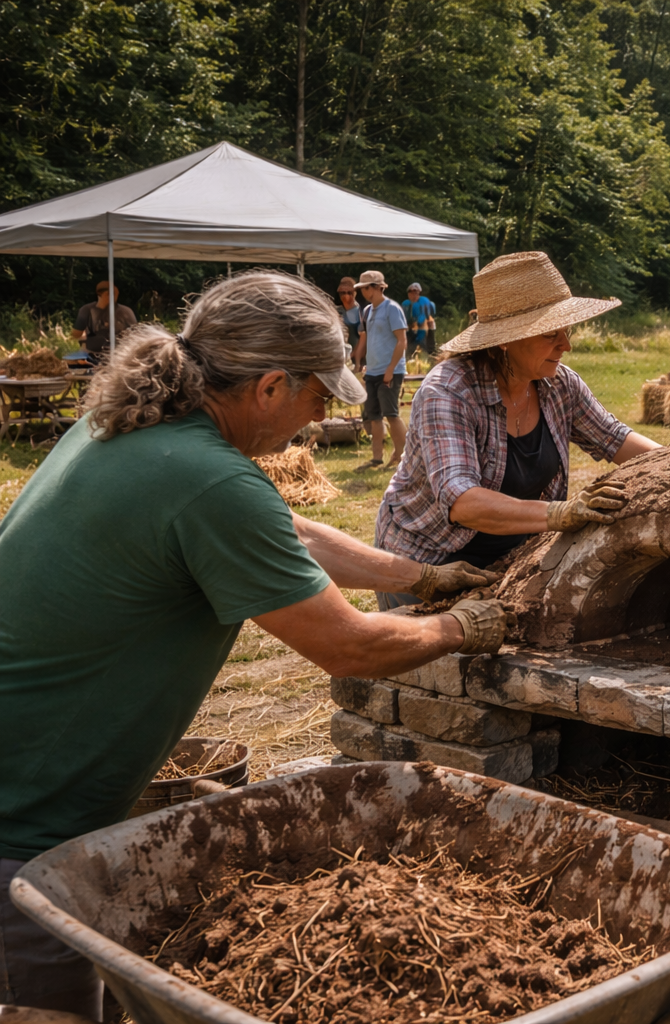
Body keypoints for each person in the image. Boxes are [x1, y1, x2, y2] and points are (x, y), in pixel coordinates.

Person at [0, 271, 505, 1016]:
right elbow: (352, 649)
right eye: (318, 396)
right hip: (22, 823)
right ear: (271, 386)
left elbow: (291, 532)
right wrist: (466, 626)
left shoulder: (141, 430)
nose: (318, 414)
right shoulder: (208, 482)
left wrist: (424, 577)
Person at [375, 252, 663, 606]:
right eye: (550, 334)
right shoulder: (449, 391)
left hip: (513, 560)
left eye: (566, 330)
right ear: (506, 340)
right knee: (429, 657)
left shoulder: (559, 385)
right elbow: (463, 501)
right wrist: (561, 513)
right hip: (428, 564)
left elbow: (616, 438)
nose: (566, 344)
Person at [353, 268, 408, 468]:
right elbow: (366, 339)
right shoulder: (367, 311)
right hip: (373, 371)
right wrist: (360, 361)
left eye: (365, 288)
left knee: (391, 414)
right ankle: (376, 459)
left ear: (376, 288)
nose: (362, 292)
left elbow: (402, 341)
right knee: (374, 416)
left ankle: (404, 457)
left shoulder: (392, 309)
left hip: (390, 371)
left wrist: (390, 369)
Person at [72, 280, 138, 360]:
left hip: (119, 356)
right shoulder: (86, 310)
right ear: (100, 294)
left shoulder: (126, 312)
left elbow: (135, 335)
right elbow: (76, 334)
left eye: (115, 294)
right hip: (92, 355)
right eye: (110, 294)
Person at [403, 281, 438, 356]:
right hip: (409, 327)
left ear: (419, 293)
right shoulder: (405, 305)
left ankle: (431, 350)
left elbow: (429, 318)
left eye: (415, 292)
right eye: (411, 292)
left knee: (430, 324)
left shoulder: (427, 304)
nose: (413, 294)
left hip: (424, 326)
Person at [338, 275, 362, 350]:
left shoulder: (361, 312)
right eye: (342, 293)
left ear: (354, 293)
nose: (345, 295)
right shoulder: (336, 311)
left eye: (349, 292)